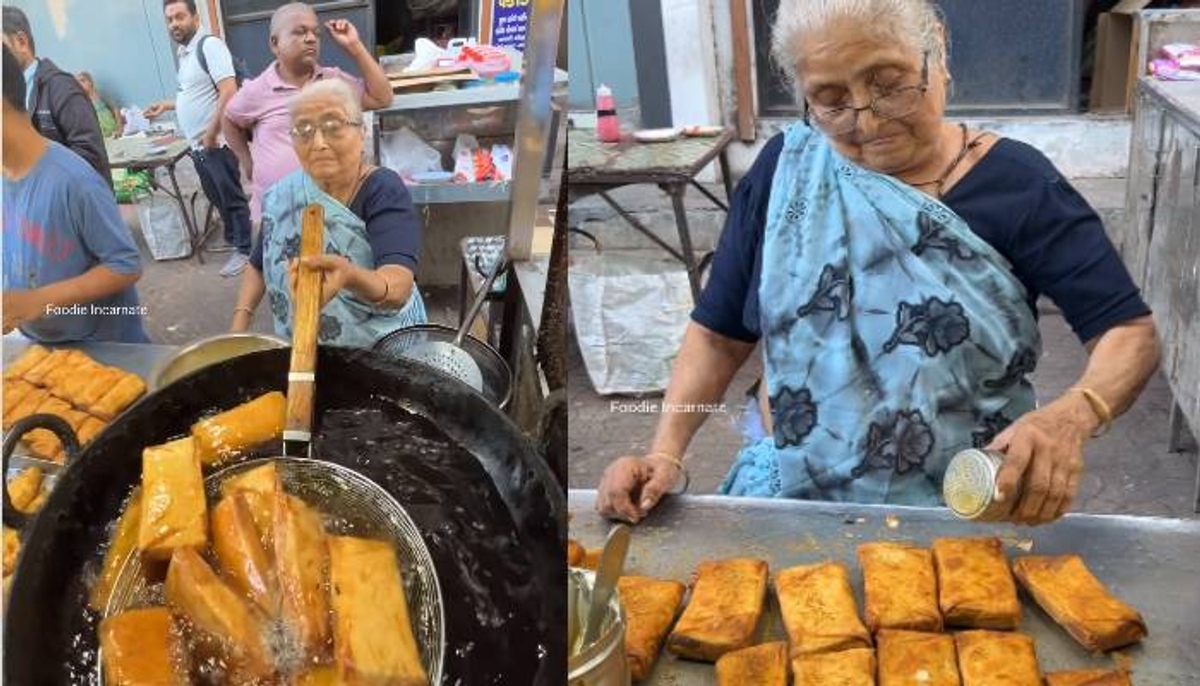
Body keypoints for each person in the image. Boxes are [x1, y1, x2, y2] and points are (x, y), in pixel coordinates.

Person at [596, 0, 1161, 527]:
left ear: (936, 52)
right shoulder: (787, 172)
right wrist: (664, 451)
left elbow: (1127, 332)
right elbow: (718, 335)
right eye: (832, 101)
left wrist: (1073, 415)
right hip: (793, 498)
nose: (866, 121)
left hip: (966, 506)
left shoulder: (1019, 185)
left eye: (889, 86)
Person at [229, 79, 426, 347]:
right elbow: (258, 263)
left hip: (382, 351)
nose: (319, 143)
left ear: (361, 132)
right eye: (304, 130)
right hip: (304, 347)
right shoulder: (283, 195)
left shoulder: (382, 188)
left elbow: (398, 286)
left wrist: (350, 276)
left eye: (333, 126)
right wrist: (238, 328)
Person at [2, 46, 149, 344]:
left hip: (105, 357)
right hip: (41, 350)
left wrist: (40, 300)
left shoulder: (74, 181)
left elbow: (126, 265)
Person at [222, 2, 393, 226]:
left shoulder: (334, 81)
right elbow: (229, 118)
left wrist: (355, 46)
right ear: (275, 44)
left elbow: (382, 98)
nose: (311, 38)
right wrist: (247, 161)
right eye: (300, 32)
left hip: (331, 214)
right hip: (275, 218)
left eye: (316, 33)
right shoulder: (257, 90)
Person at [143, 0, 254, 278]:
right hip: (199, 145)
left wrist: (212, 131)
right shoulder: (185, 53)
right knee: (217, 195)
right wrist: (167, 106)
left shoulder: (210, 46)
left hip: (215, 142)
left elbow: (227, 90)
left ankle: (245, 248)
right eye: (169, 19)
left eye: (180, 16)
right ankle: (235, 239)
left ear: (194, 16)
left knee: (231, 197)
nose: (174, 24)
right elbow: (194, 93)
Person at [2, 6, 111, 186]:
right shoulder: (6, 96)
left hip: (69, 208)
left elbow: (91, 157)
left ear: (21, 42)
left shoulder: (61, 88)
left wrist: (38, 180)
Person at [75, 72, 124, 139]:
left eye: (82, 81)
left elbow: (115, 109)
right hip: (97, 132)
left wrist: (120, 128)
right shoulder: (81, 99)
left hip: (110, 127)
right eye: (77, 83)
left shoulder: (100, 94)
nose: (80, 84)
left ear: (90, 82)